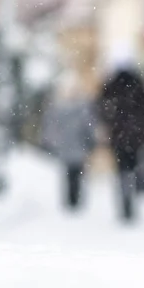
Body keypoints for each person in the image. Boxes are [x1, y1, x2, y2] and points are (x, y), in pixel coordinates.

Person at [97, 57, 144, 222]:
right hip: (136, 135)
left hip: (118, 135)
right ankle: (130, 197)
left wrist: (108, 127)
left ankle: (125, 199)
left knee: (121, 168)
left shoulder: (110, 86)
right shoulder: (139, 85)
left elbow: (101, 110)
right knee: (132, 166)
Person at [41, 73, 96, 210]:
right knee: (70, 173)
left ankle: (74, 199)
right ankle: (72, 199)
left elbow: (88, 126)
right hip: (67, 146)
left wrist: (89, 140)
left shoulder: (81, 108)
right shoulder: (58, 109)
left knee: (75, 172)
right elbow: (51, 127)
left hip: (76, 145)